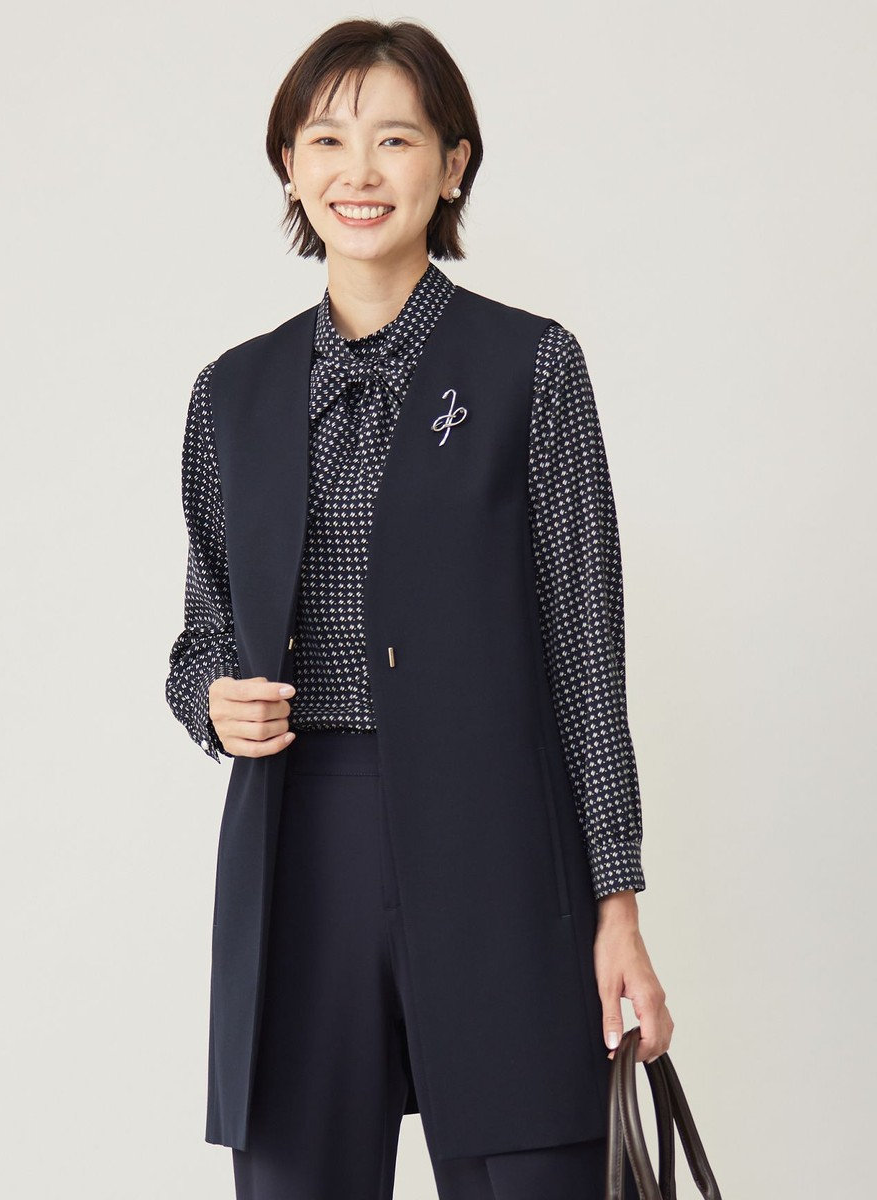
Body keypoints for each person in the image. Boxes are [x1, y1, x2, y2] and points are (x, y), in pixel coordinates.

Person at [165, 17, 672, 1200]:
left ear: (451, 165)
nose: (360, 170)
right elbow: (202, 631)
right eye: (327, 139)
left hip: (500, 846)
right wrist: (210, 700)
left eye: (394, 139)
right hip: (299, 850)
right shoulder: (232, 391)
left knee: (529, 1166)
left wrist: (618, 909)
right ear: (288, 164)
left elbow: (586, 655)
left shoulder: (530, 366)